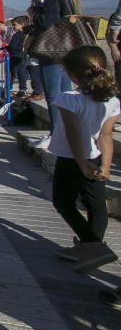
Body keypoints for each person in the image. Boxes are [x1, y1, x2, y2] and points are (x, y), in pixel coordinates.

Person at [48, 46, 119, 273]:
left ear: (73, 75)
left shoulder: (68, 99)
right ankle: (91, 249)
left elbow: (73, 132)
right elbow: (106, 135)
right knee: (96, 205)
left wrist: (79, 161)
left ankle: (93, 247)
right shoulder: (112, 101)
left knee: (63, 202)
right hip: (97, 157)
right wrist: (106, 165)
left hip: (72, 158)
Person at [29, 0, 83, 150]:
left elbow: (45, 23)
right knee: (65, 94)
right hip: (66, 52)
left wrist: (36, 8)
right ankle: (66, 134)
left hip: (51, 52)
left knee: (54, 96)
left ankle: (56, 135)